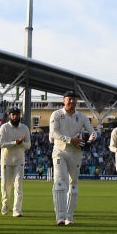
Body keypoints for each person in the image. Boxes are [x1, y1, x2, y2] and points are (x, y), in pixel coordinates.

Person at [49, 89, 96, 226]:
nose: (72, 101)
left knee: (73, 183)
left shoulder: (81, 117)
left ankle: (69, 217)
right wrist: (70, 140)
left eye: (74, 99)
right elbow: (53, 133)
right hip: (60, 151)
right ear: (64, 100)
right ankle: (60, 217)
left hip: (75, 153)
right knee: (59, 181)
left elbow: (93, 131)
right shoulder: (56, 114)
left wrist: (92, 137)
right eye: (69, 98)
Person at [0, 106, 31, 217]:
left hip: (19, 161)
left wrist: (21, 144)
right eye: (13, 114)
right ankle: (5, 205)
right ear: (9, 116)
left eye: (17, 114)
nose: (15, 117)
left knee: (18, 186)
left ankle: (17, 209)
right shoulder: (4, 127)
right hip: (6, 161)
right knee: (5, 186)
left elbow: (28, 145)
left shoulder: (24, 128)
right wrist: (14, 143)